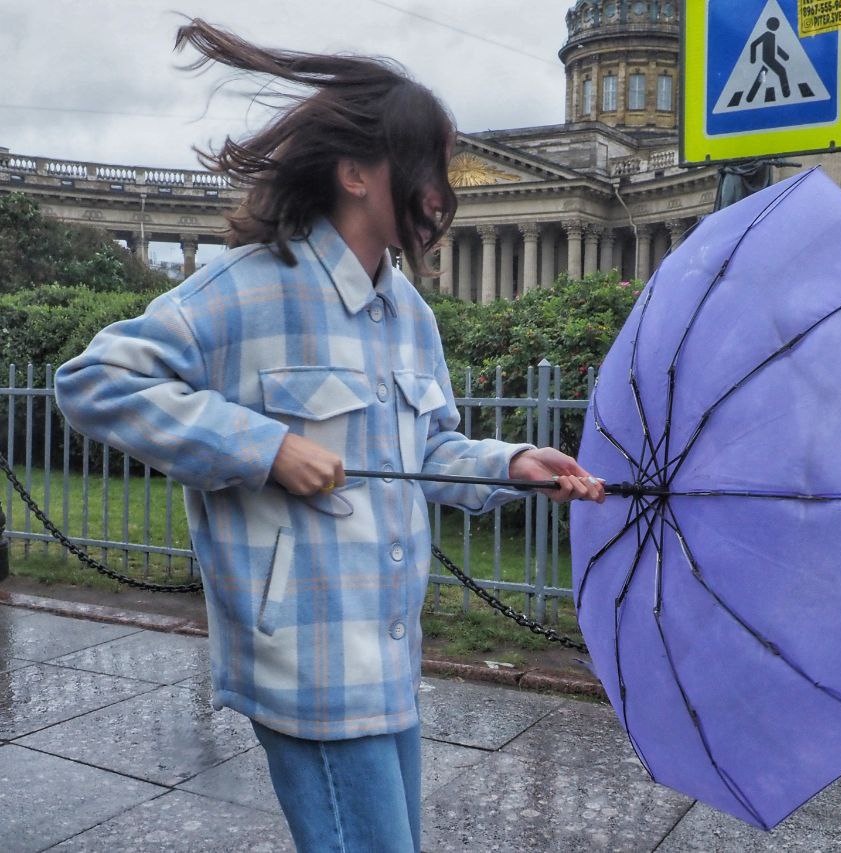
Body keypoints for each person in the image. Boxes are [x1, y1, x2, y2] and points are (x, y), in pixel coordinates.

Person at [54, 19, 604, 851]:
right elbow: (92, 382)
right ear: (355, 172)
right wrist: (265, 448)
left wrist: (511, 464)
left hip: (389, 663)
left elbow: (423, 455)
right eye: (425, 167)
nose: (440, 193)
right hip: (305, 664)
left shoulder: (410, 315)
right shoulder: (247, 289)